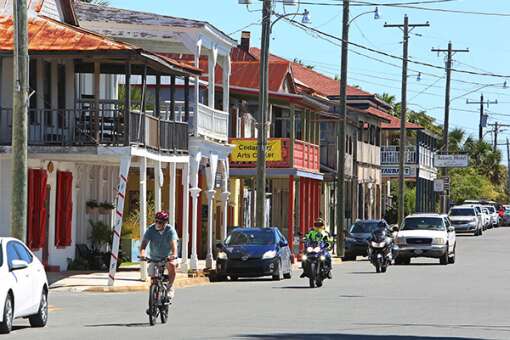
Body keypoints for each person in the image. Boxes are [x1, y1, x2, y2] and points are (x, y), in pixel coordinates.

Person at [140, 211, 179, 304]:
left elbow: (174, 245)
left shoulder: (170, 230)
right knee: (153, 278)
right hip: (154, 258)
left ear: (165, 222)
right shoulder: (151, 229)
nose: (157, 224)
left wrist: (173, 255)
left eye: (160, 222)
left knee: (171, 265)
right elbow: (143, 245)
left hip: (167, 257)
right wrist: (142, 254)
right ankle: (153, 302)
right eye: (156, 221)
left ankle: (170, 288)